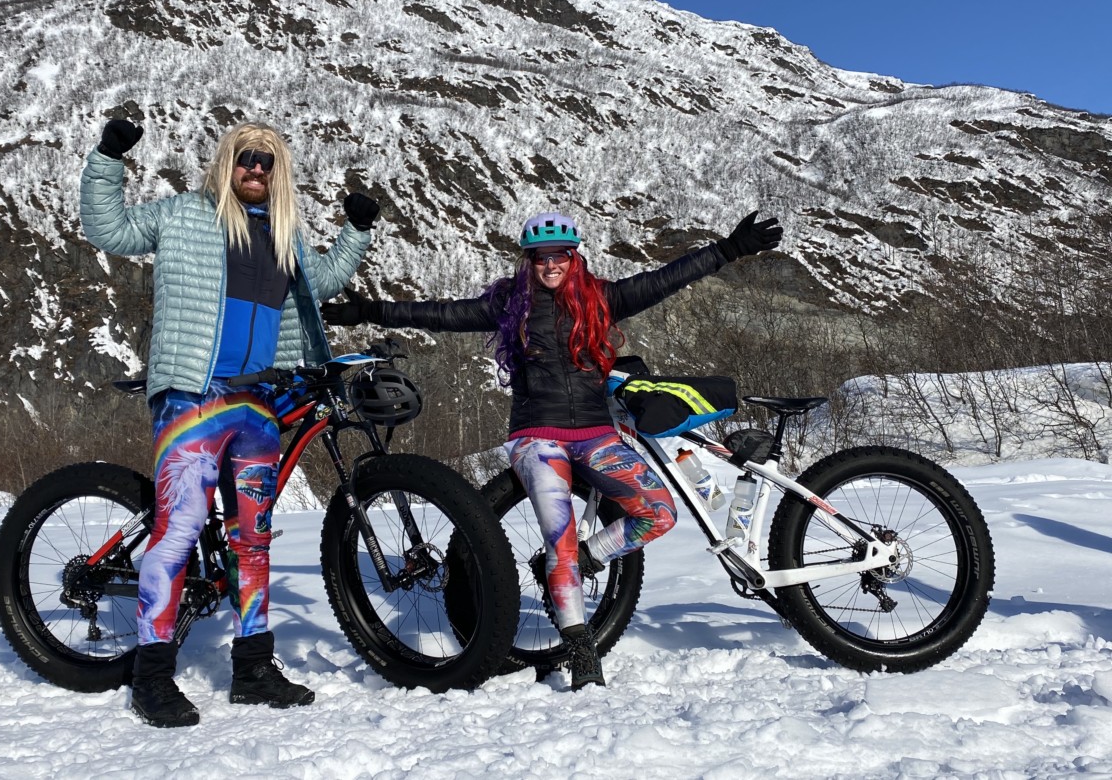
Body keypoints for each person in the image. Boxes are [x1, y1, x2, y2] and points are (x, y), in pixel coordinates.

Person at [321, 209, 782, 690]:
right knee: (558, 536)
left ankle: (582, 561)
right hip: (537, 439)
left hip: (598, 436)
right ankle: (580, 648)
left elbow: (665, 279)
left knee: (659, 513)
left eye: (559, 255)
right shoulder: (508, 305)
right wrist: (368, 311)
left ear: (573, 256)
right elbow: (439, 313)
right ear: (529, 261)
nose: (550, 265)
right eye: (540, 257)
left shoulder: (603, 299)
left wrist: (730, 249)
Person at [80, 118, 379, 727]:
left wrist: (357, 230)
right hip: (193, 394)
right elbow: (107, 227)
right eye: (246, 158)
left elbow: (321, 282)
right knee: (181, 526)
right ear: (226, 161)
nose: (255, 170)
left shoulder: (285, 234)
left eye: (267, 162)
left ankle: (252, 668)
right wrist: (109, 157)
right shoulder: (185, 215)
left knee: (255, 538)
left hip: (258, 404)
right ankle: (152, 676)